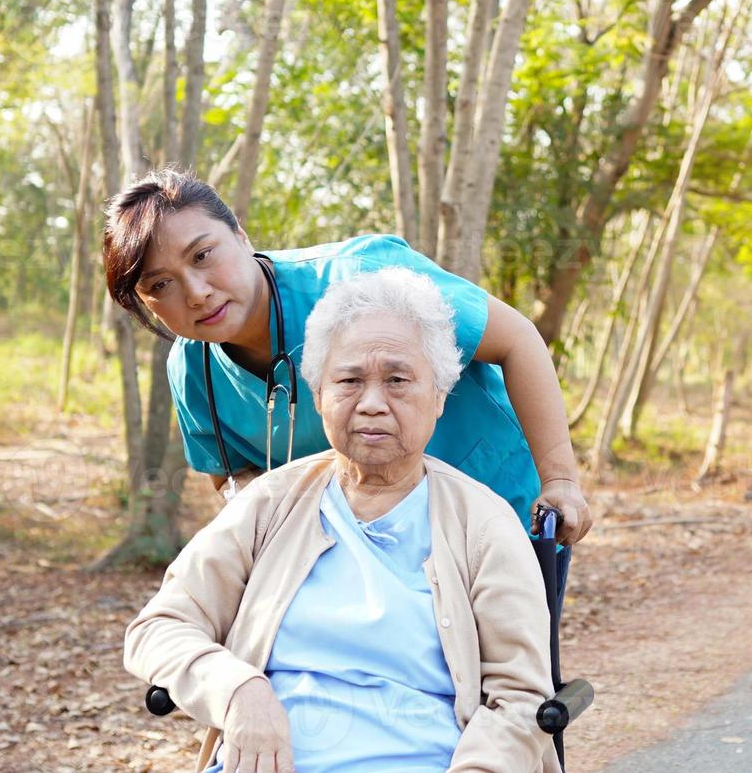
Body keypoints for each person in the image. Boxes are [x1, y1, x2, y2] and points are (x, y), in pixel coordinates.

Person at [126, 269, 559, 772]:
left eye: (398, 380)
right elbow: (158, 627)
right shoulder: (271, 503)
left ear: (439, 397)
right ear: (318, 395)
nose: (372, 403)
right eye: (349, 380)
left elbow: (521, 698)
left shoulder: (483, 523)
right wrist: (238, 690)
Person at [101, 168, 591, 551]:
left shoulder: (361, 279)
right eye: (159, 285)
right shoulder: (193, 372)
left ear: (242, 236)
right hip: (361, 554)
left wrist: (561, 481)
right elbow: (235, 476)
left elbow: (517, 340)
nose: (197, 292)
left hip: (494, 512)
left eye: (203, 256)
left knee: (498, 672)